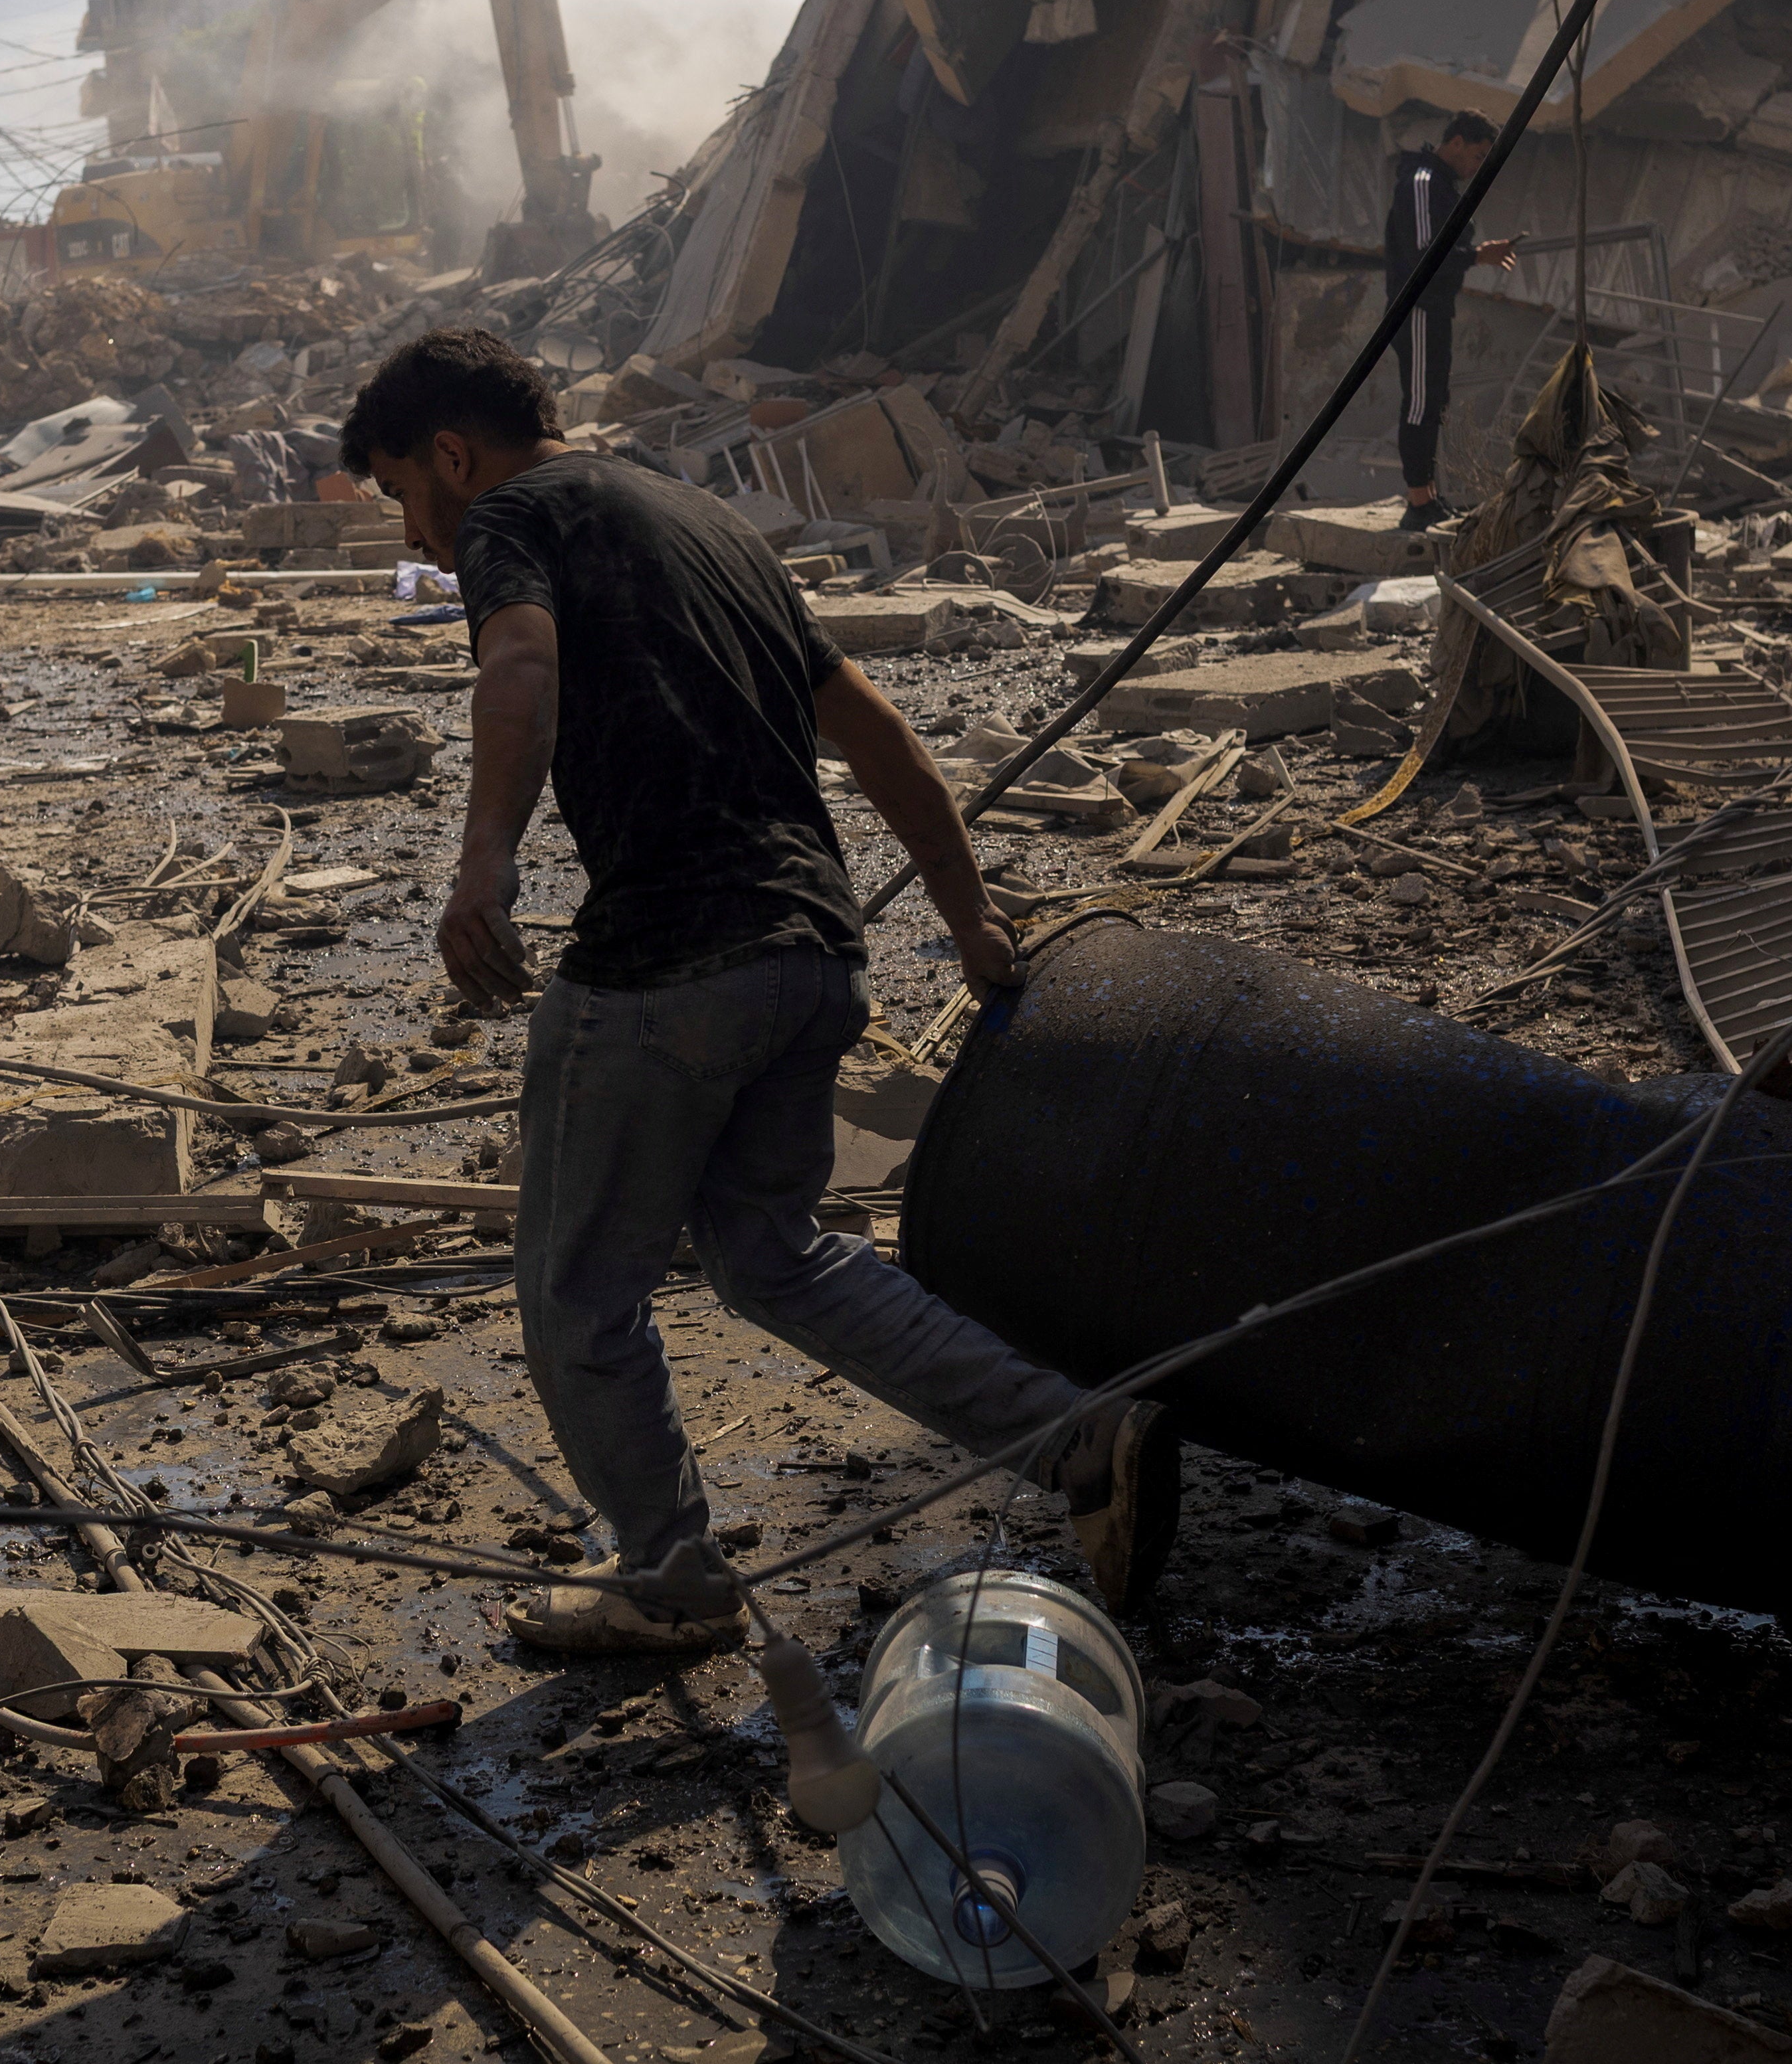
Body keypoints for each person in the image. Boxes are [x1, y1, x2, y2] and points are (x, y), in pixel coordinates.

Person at [340, 327, 1180, 1656]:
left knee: (576, 1297)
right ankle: (1076, 1436)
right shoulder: (706, 524)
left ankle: (670, 1578)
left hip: (665, 965)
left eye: (403, 497)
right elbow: (879, 736)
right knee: (770, 1253)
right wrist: (965, 914)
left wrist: (481, 866)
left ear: (450, 452)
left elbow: (517, 668)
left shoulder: (510, 515)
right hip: (808, 950)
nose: (421, 538)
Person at [1382, 110, 1520, 531]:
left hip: (1434, 308)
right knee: (1422, 403)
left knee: (1433, 400)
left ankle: (1429, 497)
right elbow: (1427, 255)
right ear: (1455, 143)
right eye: (1477, 156)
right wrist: (1479, 256)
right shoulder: (1423, 184)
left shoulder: (1439, 186)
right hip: (1419, 307)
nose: (1477, 167)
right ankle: (1419, 501)